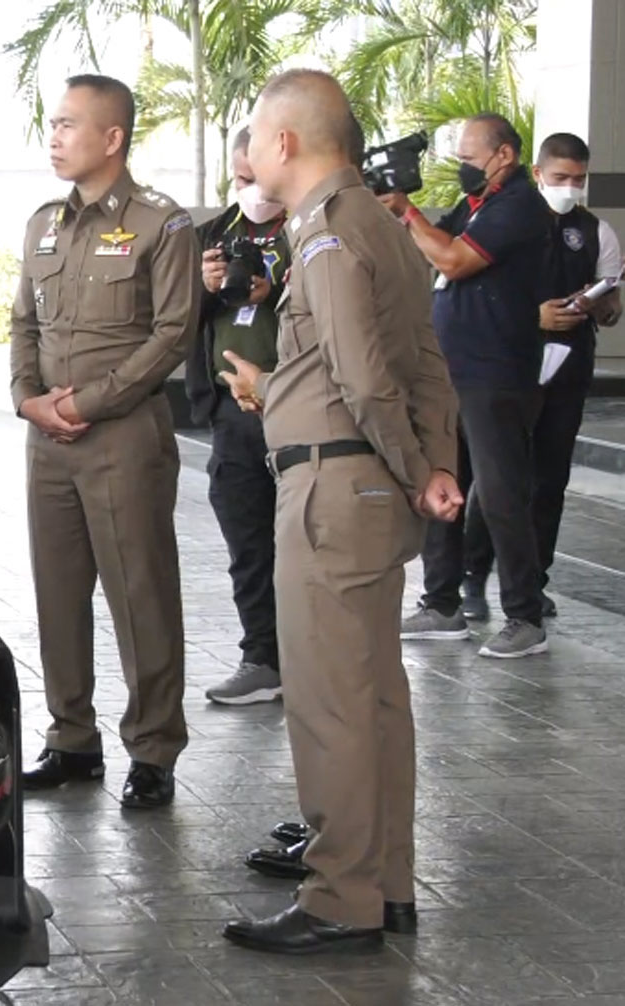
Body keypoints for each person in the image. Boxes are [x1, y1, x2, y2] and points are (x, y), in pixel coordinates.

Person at [217, 69, 461, 954]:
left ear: (284, 141)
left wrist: (409, 468)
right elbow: (423, 364)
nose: (246, 152)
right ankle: (385, 884)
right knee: (376, 698)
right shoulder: (381, 228)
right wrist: (431, 464)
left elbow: (360, 376)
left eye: (252, 133)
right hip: (363, 481)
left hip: (332, 489)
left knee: (330, 704)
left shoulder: (323, 235)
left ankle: (339, 897)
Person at [10, 74, 199, 809]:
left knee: (139, 595)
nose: (53, 137)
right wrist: (28, 399)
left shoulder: (163, 224)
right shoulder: (42, 223)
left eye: (66, 124)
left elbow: (172, 334)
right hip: (48, 441)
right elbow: (22, 320)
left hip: (122, 437)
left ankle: (152, 750)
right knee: (58, 595)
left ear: (112, 137)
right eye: (51, 124)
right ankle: (70, 738)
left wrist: (87, 402)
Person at [378, 114, 552, 658]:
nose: (462, 168)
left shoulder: (520, 206)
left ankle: (525, 615)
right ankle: (442, 604)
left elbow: (453, 261)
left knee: (500, 496)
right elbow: (434, 245)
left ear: (504, 155)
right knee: (443, 484)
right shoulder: (476, 205)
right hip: (453, 372)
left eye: (470, 158)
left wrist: (406, 210)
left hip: (496, 373)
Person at [460, 132, 623, 621]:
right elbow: (473, 294)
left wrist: (597, 306)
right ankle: (472, 576)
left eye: (579, 179)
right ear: (537, 174)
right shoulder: (504, 220)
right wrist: (535, 317)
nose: (570, 188)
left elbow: (613, 304)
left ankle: (535, 579)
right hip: (507, 365)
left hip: (568, 370)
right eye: (560, 178)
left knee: (549, 477)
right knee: (495, 477)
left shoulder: (596, 231)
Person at [186, 126, 291, 706]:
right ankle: (261, 657)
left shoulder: (309, 229)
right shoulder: (213, 234)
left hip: (301, 409)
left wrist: (271, 290)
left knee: (305, 541)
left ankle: (310, 656)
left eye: (258, 178)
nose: (250, 191)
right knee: (248, 539)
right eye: (240, 179)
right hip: (233, 412)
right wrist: (204, 290)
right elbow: (176, 318)